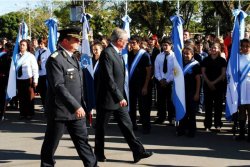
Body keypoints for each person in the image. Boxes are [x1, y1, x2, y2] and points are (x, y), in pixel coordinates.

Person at [40, 27, 97, 167]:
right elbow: (59, 86)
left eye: (79, 40)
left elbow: (78, 86)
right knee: (51, 143)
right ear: (65, 41)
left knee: (83, 142)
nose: (78, 42)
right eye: (75, 40)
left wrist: (81, 105)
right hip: (60, 111)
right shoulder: (55, 59)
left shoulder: (73, 57)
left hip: (77, 111)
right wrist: (76, 105)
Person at [94, 27, 153, 163]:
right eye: (126, 40)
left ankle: (138, 152)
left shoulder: (118, 52)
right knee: (101, 128)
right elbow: (109, 79)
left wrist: (121, 96)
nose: (127, 43)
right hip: (108, 99)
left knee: (127, 125)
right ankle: (98, 154)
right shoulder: (107, 53)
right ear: (119, 40)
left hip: (119, 98)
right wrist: (119, 97)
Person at [128, 35, 152, 134]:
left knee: (143, 107)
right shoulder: (128, 54)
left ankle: (146, 126)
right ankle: (133, 124)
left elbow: (149, 71)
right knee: (132, 106)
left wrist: (146, 86)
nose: (132, 44)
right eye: (131, 42)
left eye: (134, 43)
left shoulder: (144, 55)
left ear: (139, 43)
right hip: (131, 84)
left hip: (142, 84)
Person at [201, 43, 227, 132]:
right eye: (212, 48)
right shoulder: (205, 60)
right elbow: (203, 72)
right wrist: (209, 83)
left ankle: (218, 124)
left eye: (215, 48)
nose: (213, 49)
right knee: (208, 106)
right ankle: (207, 125)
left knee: (218, 106)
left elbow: (223, 73)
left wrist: (214, 83)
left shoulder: (222, 60)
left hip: (219, 86)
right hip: (207, 85)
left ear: (219, 49)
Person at [177, 46, 201, 137]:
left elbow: (198, 80)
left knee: (191, 112)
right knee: (182, 111)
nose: (185, 55)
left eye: (188, 54)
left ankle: (192, 131)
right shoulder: (180, 63)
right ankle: (182, 129)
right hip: (181, 92)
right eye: (184, 53)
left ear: (192, 54)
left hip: (192, 92)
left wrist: (197, 93)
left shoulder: (196, 65)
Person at [154, 37, 175, 125]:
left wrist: (168, 80)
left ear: (171, 46)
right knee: (161, 101)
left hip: (170, 82)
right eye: (163, 45)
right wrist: (160, 79)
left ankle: (171, 117)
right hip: (160, 82)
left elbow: (175, 70)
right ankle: (161, 117)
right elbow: (156, 69)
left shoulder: (175, 56)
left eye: (166, 45)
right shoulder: (159, 56)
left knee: (170, 101)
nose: (164, 47)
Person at [16, 39, 39, 120]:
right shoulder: (16, 56)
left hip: (28, 79)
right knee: (21, 97)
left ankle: (29, 113)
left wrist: (35, 80)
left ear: (27, 46)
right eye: (21, 45)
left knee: (29, 97)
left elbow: (35, 69)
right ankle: (22, 113)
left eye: (23, 45)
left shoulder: (30, 56)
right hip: (19, 79)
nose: (21, 46)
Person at [236, 38, 250, 142]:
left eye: (247, 46)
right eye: (243, 46)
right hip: (241, 87)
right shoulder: (237, 58)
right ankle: (241, 132)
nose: (245, 48)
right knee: (241, 111)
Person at [35, 37, 51, 110]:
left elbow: (49, 62)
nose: (40, 45)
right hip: (39, 73)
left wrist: (42, 62)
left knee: (45, 91)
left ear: (45, 43)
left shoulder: (47, 51)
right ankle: (44, 105)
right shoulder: (37, 51)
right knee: (41, 91)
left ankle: (47, 106)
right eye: (39, 44)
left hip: (45, 73)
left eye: (41, 44)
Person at [0, 41, 12, 120]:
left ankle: (1, 114)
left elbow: (8, 67)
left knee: (2, 96)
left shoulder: (5, 55)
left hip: (2, 78)